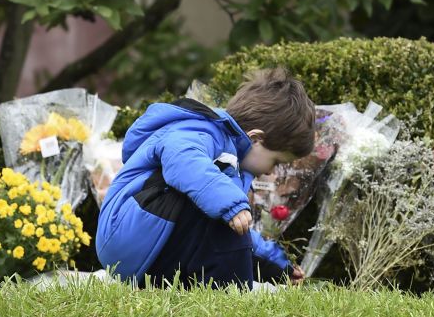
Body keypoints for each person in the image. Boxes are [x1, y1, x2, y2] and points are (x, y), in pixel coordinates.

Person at [96, 67, 315, 288]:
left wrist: (280, 267)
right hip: (127, 237)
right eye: (275, 162)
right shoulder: (202, 130)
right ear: (256, 138)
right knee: (217, 206)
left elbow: (241, 231)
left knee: (225, 216)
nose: (271, 173)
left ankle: (228, 291)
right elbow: (181, 158)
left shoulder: (228, 167)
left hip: (150, 245)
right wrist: (231, 205)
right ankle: (232, 296)